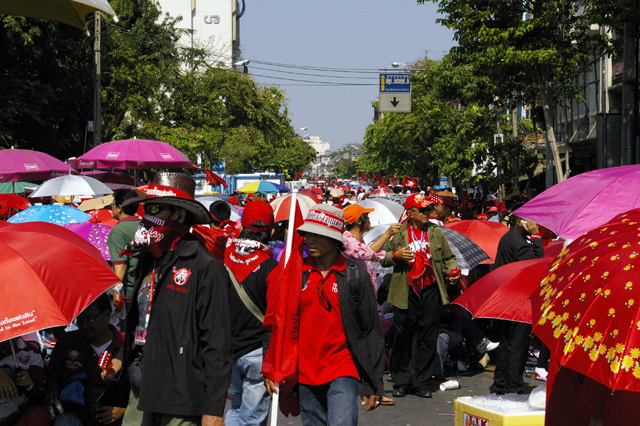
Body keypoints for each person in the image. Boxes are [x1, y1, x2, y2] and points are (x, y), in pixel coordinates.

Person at [120, 172, 232, 426]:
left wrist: (214, 408)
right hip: (141, 388)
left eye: (155, 209)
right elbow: (137, 318)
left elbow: (217, 343)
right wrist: (120, 357)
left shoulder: (205, 266)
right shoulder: (147, 258)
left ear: (179, 215)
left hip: (181, 396)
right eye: (145, 209)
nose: (146, 218)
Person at [265, 204, 385, 426]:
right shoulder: (294, 274)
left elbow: (370, 330)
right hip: (304, 372)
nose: (310, 240)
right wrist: (271, 368)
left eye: (318, 235)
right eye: (308, 234)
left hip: (343, 368)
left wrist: (374, 382)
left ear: (334, 240)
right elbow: (276, 321)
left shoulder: (354, 276)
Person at [381, 194, 459, 398]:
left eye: (428, 210)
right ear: (410, 213)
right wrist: (397, 255)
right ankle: (401, 382)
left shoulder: (435, 231)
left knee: (428, 337)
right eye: (422, 210)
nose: (427, 213)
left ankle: (422, 383)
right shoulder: (398, 233)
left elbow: (450, 258)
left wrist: (453, 271)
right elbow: (384, 259)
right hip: (404, 292)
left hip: (430, 290)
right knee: (403, 338)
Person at [224, 200, 278, 426]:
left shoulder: (222, 258)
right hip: (258, 352)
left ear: (241, 226)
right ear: (272, 231)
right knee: (252, 419)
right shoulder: (272, 267)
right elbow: (275, 317)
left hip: (226, 349)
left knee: (235, 409)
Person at [46, 294, 127, 426]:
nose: (84, 325)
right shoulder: (66, 342)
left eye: (90, 319)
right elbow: (52, 376)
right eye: (79, 320)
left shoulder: (125, 345)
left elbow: (139, 390)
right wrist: (53, 393)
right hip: (74, 412)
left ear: (107, 315)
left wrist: (123, 409)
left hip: (113, 416)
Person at [489, 203, 544, 395]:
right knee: (516, 344)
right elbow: (535, 263)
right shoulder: (516, 240)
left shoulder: (514, 238)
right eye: (532, 221)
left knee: (508, 342)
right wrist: (537, 237)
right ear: (521, 222)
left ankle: (501, 383)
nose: (535, 224)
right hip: (516, 298)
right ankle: (512, 384)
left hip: (509, 296)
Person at [342, 204, 401, 291]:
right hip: (357, 293)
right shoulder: (347, 240)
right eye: (366, 217)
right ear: (359, 221)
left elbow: (374, 255)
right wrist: (387, 234)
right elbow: (367, 254)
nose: (369, 219)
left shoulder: (358, 239)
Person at [0, 336, 50, 426]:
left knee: (38, 415)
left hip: (18, 409)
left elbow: (41, 392)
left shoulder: (31, 352)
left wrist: (29, 384)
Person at [107, 189, 141, 312]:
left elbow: (120, 264)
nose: (112, 208)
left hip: (125, 292)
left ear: (120, 208)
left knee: (120, 329)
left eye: (113, 204)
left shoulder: (118, 231)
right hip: (142, 288)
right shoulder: (143, 225)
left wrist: (116, 290)